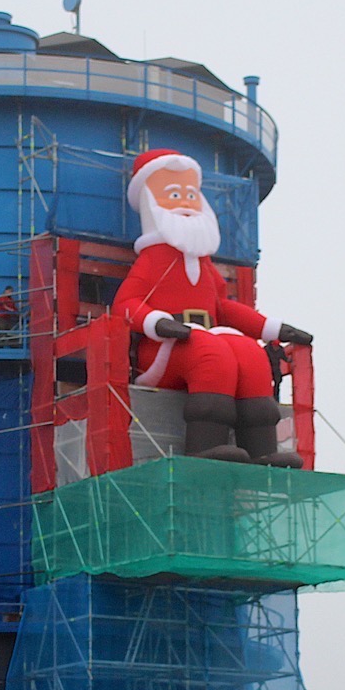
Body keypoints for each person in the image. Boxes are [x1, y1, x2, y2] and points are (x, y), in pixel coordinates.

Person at [112, 149, 312, 466]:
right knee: (211, 354)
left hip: (202, 335)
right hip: (163, 349)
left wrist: (271, 328)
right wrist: (159, 322)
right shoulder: (152, 259)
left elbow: (223, 306)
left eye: (191, 194)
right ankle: (205, 445)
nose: (186, 203)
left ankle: (262, 450)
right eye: (175, 194)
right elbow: (125, 304)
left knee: (250, 354)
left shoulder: (203, 263)